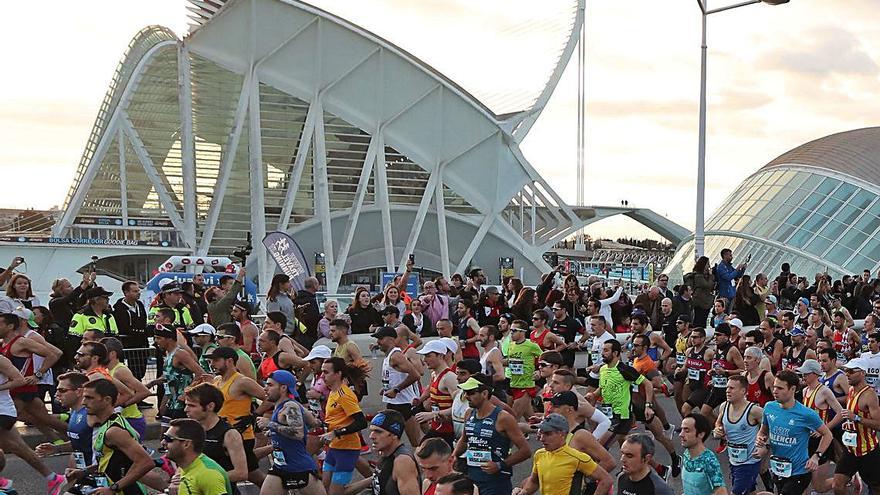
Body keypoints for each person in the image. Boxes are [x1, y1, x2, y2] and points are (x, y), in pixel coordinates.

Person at [68, 378, 154, 495]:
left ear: (107, 400)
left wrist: (113, 488)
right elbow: (110, 461)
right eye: (84, 397)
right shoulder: (105, 425)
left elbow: (146, 462)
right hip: (105, 484)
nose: (83, 402)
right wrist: (83, 472)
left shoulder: (114, 431)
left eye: (89, 398)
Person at [754, 370, 833, 495]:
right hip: (778, 470)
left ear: (793, 389)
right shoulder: (769, 407)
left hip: (799, 472)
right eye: (774, 387)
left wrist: (816, 456)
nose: (775, 391)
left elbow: (828, 434)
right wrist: (760, 439)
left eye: (780, 388)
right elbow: (763, 432)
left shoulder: (806, 414)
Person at [453, 373, 531, 495]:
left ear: (484, 394)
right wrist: (454, 456)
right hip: (472, 480)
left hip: (496, 483)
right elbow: (464, 439)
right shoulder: (469, 414)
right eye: (465, 392)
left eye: (471, 392)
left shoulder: (503, 418)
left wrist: (500, 465)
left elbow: (525, 451)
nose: (466, 396)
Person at [0, 347, 64, 494]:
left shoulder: (1, 360)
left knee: (18, 447)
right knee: (20, 448)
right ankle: (53, 478)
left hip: (3, 411)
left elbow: (19, 379)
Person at [256, 370, 323, 495]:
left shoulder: (291, 406)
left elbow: (298, 434)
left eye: (270, 385)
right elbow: (313, 422)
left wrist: (270, 424)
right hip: (280, 466)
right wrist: (274, 432)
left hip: (299, 467)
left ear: (283, 388)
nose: (265, 388)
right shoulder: (282, 405)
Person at [513, 413, 612, 495]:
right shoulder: (540, 454)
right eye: (541, 433)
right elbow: (534, 481)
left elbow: (606, 479)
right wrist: (524, 492)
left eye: (548, 434)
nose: (542, 438)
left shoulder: (577, 458)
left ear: (562, 434)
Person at [209, 346, 267, 486]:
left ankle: (276, 489)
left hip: (241, 437)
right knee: (234, 475)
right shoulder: (216, 380)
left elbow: (269, 397)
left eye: (216, 360)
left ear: (229, 361)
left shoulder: (242, 381)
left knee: (250, 475)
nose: (212, 364)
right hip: (221, 436)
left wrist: (254, 415)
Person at [183, 383, 248, 487]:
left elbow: (241, 473)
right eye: (186, 404)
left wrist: (202, 480)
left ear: (210, 406)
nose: (185, 409)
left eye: (191, 405)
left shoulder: (229, 434)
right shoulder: (190, 430)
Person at [320, 357, 368, 495]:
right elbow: (336, 419)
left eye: (326, 372)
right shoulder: (332, 391)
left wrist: (335, 433)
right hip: (334, 448)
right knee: (324, 488)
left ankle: (375, 479)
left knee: (336, 493)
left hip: (347, 449)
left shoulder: (344, 395)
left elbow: (361, 422)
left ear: (338, 374)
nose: (323, 375)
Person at [832, 357, 880, 495]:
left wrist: (857, 418)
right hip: (851, 449)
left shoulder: (870, 395)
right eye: (846, 370)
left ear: (863, 373)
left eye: (852, 371)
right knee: (837, 485)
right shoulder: (851, 390)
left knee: (876, 488)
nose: (847, 374)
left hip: (868, 450)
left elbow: (878, 424)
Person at [344, 410, 421, 495]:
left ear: (394, 435)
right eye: (371, 431)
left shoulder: (402, 461)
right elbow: (378, 478)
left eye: (378, 432)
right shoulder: (385, 452)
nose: (371, 436)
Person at [797, 359, 843, 494]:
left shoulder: (824, 391)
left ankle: (845, 478)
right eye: (802, 374)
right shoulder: (805, 390)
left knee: (819, 487)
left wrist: (825, 429)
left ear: (815, 374)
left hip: (821, 442)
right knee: (802, 484)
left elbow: (841, 413)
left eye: (806, 374)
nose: (803, 376)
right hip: (805, 441)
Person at [147, 325, 209, 422]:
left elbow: (200, 373)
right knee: (166, 433)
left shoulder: (180, 354)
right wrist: (152, 383)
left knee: (178, 434)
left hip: (182, 403)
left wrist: (186, 392)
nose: (156, 341)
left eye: (159, 338)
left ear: (170, 339)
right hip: (172, 400)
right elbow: (169, 376)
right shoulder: (168, 354)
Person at [713, 375, 762, 495]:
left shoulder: (754, 411)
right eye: (727, 388)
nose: (727, 391)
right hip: (734, 460)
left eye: (732, 388)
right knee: (751, 492)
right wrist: (717, 430)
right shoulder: (724, 406)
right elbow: (718, 423)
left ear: (743, 391)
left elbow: (769, 429)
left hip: (749, 463)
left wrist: (764, 446)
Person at [373, 326, 422, 446]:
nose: (377, 342)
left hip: (404, 404)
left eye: (380, 339)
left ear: (390, 339)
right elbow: (395, 376)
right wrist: (386, 388)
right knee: (389, 439)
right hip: (393, 403)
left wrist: (396, 389)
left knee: (416, 443)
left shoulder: (396, 356)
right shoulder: (388, 356)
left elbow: (415, 375)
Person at [36, 372, 93, 469]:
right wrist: (56, 448)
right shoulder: (75, 412)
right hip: (82, 473)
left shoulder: (92, 415)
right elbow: (80, 444)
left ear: (79, 392)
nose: (56, 394)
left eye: (62, 390)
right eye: (57, 390)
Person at [163, 418, 233, 495]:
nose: (163, 442)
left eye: (168, 439)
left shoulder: (209, 475)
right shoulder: (188, 465)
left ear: (186, 444)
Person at [102, 337, 151, 440]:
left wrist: (122, 406)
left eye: (102, 352)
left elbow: (144, 392)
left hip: (131, 420)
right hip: (120, 419)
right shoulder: (107, 370)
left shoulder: (120, 370)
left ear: (112, 354)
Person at [414, 340, 459, 447]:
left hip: (448, 430)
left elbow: (459, 407)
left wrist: (432, 414)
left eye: (428, 356)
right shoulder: (434, 374)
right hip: (438, 427)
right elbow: (431, 389)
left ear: (440, 355)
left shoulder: (449, 378)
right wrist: (420, 399)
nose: (424, 360)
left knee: (422, 452)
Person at [680, 412, 728, 495]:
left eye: (687, 431)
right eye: (682, 429)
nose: (681, 434)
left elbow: (722, 492)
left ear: (701, 434)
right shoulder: (687, 454)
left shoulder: (709, 461)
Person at [506, 320, 543, 421]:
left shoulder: (531, 345)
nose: (511, 333)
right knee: (531, 418)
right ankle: (548, 428)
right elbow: (510, 362)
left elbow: (545, 358)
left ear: (522, 332)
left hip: (526, 385)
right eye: (510, 330)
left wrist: (539, 371)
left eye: (514, 330)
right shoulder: (511, 345)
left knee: (512, 419)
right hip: (513, 384)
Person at [112, 281, 149, 381]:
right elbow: (124, 327)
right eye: (135, 291)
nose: (138, 293)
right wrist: (139, 331)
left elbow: (144, 322)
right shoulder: (119, 309)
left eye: (138, 290)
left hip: (141, 345)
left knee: (140, 372)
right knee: (129, 375)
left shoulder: (140, 305)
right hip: (128, 345)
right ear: (126, 293)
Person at [686, 256, 716, 328]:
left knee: (703, 319)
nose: (709, 266)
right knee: (699, 320)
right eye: (707, 264)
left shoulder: (703, 276)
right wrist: (711, 276)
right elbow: (707, 285)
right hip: (700, 301)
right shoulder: (698, 276)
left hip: (704, 301)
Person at [293, 276, 321, 348]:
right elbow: (313, 317)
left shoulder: (298, 298)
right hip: (310, 333)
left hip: (299, 331)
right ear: (314, 285)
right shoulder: (311, 300)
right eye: (318, 283)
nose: (319, 285)